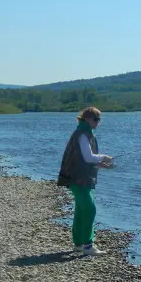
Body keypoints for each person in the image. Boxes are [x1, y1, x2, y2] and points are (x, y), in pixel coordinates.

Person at [57, 107, 113, 255]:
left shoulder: (83, 133)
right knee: (89, 209)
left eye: (99, 120)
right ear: (88, 119)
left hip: (78, 178)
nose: (98, 123)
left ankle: (79, 244)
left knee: (81, 210)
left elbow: (83, 158)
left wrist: (100, 164)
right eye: (96, 119)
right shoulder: (82, 134)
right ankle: (88, 246)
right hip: (79, 179)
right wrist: (103, 157)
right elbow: (88, 157)